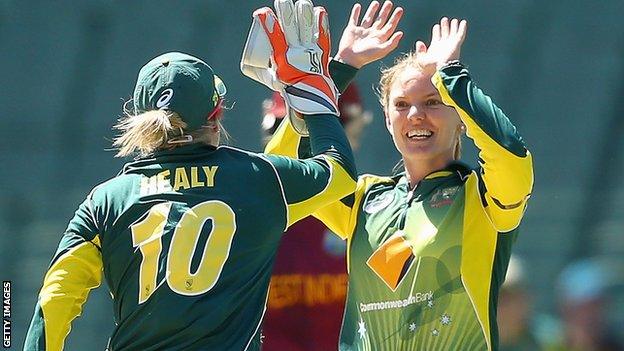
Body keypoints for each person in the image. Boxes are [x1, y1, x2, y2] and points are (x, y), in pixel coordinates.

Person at [23, 2, 357, 350]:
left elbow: (56, 297)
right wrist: (312, 89)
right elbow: (339, 173)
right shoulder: (257, 179)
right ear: (216, 116)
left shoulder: (106, 200)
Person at [264, 15, 534, 350]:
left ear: (461, 118)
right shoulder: (362, 200)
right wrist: (339, 70)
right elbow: (284, 174)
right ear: (389, 121)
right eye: (402, 105)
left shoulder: (483, 200)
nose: (416, 115)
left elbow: (511, 155)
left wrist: (451, 74)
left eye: (433, 102)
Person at [260, 84, 372, 351]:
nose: (305, 147)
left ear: (354, 130)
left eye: (323, 133)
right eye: (287, 130)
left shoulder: (374, 213)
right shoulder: (247, 213)